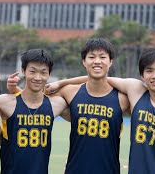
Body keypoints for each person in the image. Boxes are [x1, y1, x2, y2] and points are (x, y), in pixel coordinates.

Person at [8, 38, 131, 173]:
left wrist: (61, 82)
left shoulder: (122, 98)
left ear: (111, 61)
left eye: (102, 57)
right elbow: (37, 103)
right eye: (91, 57)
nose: (97, 61)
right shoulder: (70, 92)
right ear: (84, 61)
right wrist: (15, 90)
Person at [0, 49, 72, 174]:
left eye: (43, 72)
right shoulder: (4, 102)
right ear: (23, 71)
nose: (38, 77)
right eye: (32, 71)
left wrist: (62, 82)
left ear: (49, 74)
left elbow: (94, 81)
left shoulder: (56, 104)